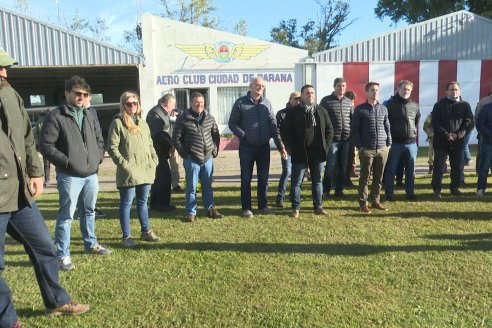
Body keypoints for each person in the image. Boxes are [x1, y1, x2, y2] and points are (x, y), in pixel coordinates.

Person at [0, 50, 89, 328]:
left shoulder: (10, 94)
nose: (5, 73)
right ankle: (8, 321)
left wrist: (36, 171)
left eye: (6, 68)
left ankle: (56, 301)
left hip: (18, 192)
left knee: (44, 247)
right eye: (0, 68)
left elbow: (27, 136)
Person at [39, 75, 110, 271]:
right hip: (69, 176)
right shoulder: (56, 116)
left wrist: (98, 158)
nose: (81, 97)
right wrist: (67, 162)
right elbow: (45, 145)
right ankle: (62, 254)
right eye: (77, 93)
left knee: (89, 211)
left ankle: (91, 244)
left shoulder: (90, 114)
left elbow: (99, 138)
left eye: (85, 94)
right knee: (67, 216)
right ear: (67, 94)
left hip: (91, 174)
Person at [107, 91, 161, 248]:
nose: (132, 106)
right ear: (123, 105)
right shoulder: (118, 123)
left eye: (135, 103)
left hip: (145, 169)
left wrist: (154, 160)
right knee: (126, 203)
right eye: (129, 103)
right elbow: (112, 147)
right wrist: (125, 165)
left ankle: (146, 231)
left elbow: (150, 144)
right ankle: (126, 236)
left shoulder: (143, 123)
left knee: (143, 202)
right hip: (129, 171)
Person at [228, 76, 287, 218]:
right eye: (257, 85)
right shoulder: (240, 103)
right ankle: (246, 208)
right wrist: (244, 136)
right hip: (247, 148)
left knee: (263, 178)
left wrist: (280, 146)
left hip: (263, 148)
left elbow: (273, 125)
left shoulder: (267, 103)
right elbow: (232, 124)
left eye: (262, 86)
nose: (260, 87)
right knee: (246, 178)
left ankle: (262, 206)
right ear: (251, 86)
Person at [282, 85, 333, 219]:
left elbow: (329, 130)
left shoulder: (321, 111)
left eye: (312, 93)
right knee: (296, 182)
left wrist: (326, 146)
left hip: (318, 153)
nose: (310, 95)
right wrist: (292, 148)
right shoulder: (293, 112)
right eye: (307, 93)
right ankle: (295, 208)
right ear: (302, 96)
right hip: (300, 153)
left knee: (317, 181)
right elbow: (286, 132)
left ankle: (318, 207)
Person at [172, 92, 224, 222]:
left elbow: (216, 136)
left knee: (207, 186)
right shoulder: (183, 119)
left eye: (201, 102)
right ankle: (191, 213)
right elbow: (176, 139)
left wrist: (215, 151)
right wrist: (185, 154)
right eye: (196, 102)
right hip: (191, 158)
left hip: (207, 158)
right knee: (191, 187)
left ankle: (210, 209)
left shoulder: (210, 118)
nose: (199, 104)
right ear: (191, 103)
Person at [352, 82, 391, 213]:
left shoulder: (383, 108)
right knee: (365, 177)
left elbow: (387, 126)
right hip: (367, 149)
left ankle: (375, 201)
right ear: (367, 92)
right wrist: (360, 146)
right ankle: (363, 203)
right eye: (372, 90)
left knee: (379, 178)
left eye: (377, 90)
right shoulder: (360, 109)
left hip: (382, 148)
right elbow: (355, 130)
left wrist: (388, 144)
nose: (375, 92)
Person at [431, 81, 474, 198]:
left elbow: (468, 122)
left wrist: (458, 135)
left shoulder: (465, 105)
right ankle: (437, 189)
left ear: (459, 91)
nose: (454, 92)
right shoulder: (439, 105)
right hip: (441, 141)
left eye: (456, 90)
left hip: (458, 142)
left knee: (457, 167)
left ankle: (454, 188)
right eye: (451, 89)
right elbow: (435, 122)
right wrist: (446, 135)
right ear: (446, 91)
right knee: (439, 167)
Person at [384, 80, 420, 201]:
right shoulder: (389, 105)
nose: (406, 91)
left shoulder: (415, 105)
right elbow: (385, 124)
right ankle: (389, 195)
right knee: (391, 170)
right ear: (398, 90)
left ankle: (410, 193)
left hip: (411, 143)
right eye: (404, 89)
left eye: (408, 90)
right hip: (395, 143)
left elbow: (416, 122)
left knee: (411, 171)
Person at [320, 77, 353, 198]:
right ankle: (326, 191)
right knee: (330, 167)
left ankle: (339, 190)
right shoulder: (326, 101)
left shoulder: (348, 102)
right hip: (332, 140)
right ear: (334, 87)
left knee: (343, 167)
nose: (342, 88)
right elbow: (321, 120)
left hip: (346, 140)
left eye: (344, 86)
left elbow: (352, 119)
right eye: (339, 86)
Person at [146, 94, 177, 211]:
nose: (173, 107)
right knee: (164, 177)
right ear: (167, 103)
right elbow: (158, 134)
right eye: (172, 104)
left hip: (160, 151)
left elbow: (166, 129)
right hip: (157, 151)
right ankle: (162, 204)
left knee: (158, 179)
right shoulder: (155, 114)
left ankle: (154, 204)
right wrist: (170, 145)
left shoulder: (160, 112)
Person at [274, 91, 301, 208]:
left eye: (299, 99)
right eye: (295, 99)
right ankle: (280, 197)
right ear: (290, 99)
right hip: (286, 149)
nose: (297, 101)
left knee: (298, 173)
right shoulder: (281, 114)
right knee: (287, 172)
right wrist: (281, 147)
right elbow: (277, 132)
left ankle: (293, 196)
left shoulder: (302, 113)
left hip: (299, 149)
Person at [474, 85, 492, 174]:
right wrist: (486, 133)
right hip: (484, 135)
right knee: (482, 155)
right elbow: (477, 119)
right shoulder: (483, 102)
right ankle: (479, 173)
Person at [475, 102, 492, 196]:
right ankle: (481, 188)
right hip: (488, 143)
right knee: (484, 167)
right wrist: (489, 135)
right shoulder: (486, 108)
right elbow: (480, 124)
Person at [344, 90, 358, 187]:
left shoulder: (354, 108)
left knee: (350, 159)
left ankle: (347, 179)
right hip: (343, 137)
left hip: (351, 138)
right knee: (343, 161)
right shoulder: (346, 107)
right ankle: (341, 180)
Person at [169, 107, 184, 192]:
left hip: (173, 145)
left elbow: (184, 113)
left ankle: (175, 185)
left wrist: (177, 113)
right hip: (164, 144)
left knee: (175, 165)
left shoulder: (176, 115)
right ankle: (165, 184)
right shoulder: (160, 115)